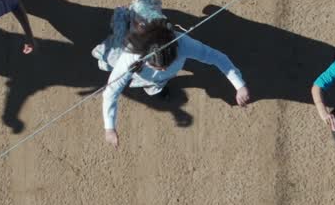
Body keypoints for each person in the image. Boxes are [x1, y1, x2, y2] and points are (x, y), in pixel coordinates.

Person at [98, 14, 251, 147]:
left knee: (158, 83)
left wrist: (239, 85)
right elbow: (111, 91)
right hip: (139, 73)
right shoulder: (130, 56)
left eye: (167, 64)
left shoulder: (183, 43)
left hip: (158, 78)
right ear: (145, 57)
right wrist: (109, 127)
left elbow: (216, 57)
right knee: (116, 62)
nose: (163, 68)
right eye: (159, 66)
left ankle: (157, 87)